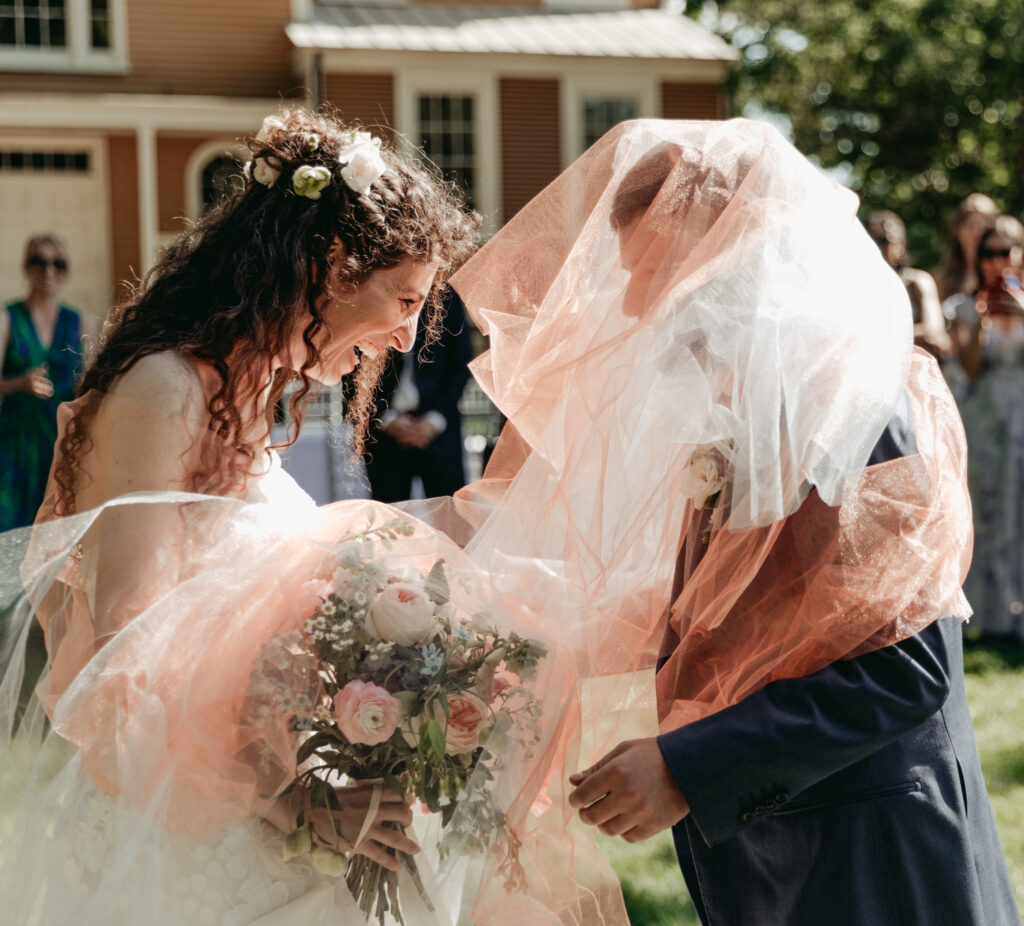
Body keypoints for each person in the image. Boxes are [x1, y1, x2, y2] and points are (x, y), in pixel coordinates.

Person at [449, 120, 1020, 925]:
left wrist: (687, 769)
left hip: (874, 855)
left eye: (659, 278)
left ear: (736, 264)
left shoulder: (860, 405)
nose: (640, 308)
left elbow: (907, 671)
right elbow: (717, 626)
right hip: (769, 855)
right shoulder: (734, 409)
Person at [0, 110, 490, 925]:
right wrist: (291, 804)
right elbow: (125, 656)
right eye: (404, 299)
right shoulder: (165, 389)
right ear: (332, 265)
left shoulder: (253, 399)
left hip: (269, 809)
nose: (407, 335)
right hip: (189, 837)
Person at [952, 216, 1024, 640]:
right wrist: (980, 323)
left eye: (1006, 250)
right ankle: (991, 617)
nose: (998, 261)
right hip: (986, 417)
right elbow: (971, 368)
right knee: (989, 512)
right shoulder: (966, 305)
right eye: (989, 253)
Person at [0, 234, 94, 530]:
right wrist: (20, 384)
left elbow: (92, 385)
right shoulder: (7, 318)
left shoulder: (82, 321)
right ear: (27, 268)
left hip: (62, 442)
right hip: (16, 441)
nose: (48, 269)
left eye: (57, 262)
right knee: (10, 525)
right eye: (39, 261)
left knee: (55, 529)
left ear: (66, 270)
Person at [359, 283, 474, 502]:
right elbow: (355, 371)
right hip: (384, 436)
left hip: (439, 430)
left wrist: (434, 420)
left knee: (450, 517)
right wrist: (386, 418)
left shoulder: (447, 296)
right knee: (390, 518)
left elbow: (461, 363)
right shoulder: (375, 289)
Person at [865, 210, 951, 359]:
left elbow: (933, 332)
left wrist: (874, 335)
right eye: (872, 241)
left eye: (884, 240)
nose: (878, 247)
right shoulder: (860, 288)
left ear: (901, 245)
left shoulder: (917, 282)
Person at [935, 192, 999, 303]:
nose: (977, 233)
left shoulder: (1002, 278)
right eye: (971, 226)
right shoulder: (940, 281)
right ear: (957, 231)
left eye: (985, 228)